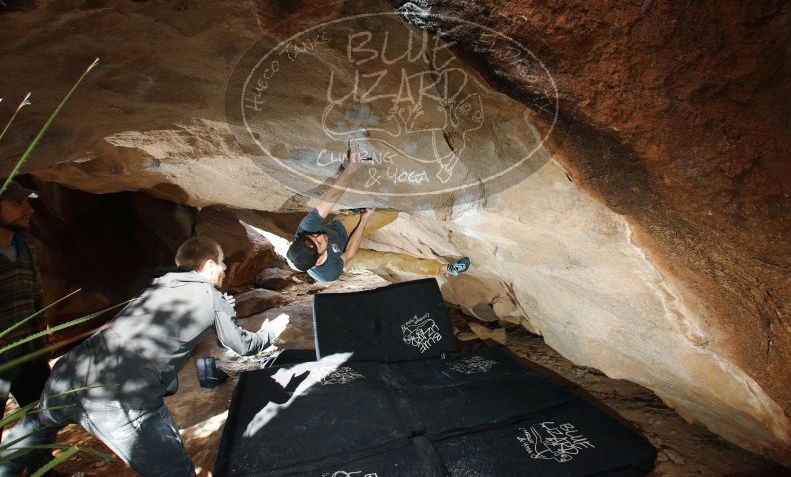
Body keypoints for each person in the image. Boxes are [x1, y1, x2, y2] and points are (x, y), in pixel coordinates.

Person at [0, 236, 289, 477]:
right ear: (210, 264)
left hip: (70, 373)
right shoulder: (208, 295)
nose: (225, 269)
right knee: (173, 471)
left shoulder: (156, 285)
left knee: (32, 433)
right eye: (223, 262)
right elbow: (242, 346)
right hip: (119, 397)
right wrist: (270, 333)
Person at [286, 141, 470, 283]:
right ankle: (446, 269)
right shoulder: (328, 273)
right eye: (318, 243)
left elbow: (331, 197)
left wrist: (351, 168)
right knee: (388, 259)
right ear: (318, 259)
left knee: (392, 214)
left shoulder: (307, 229)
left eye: (313, 237)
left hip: (340, 228)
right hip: (347, 258)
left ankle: (353, 212)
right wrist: (364, 220)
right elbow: (349, 253)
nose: (319, 235)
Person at [0, 180, 50, 435]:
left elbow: (36, 302)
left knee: (43, 415)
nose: (29, 210)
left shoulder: (24, 248)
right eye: (18, 203)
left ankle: (43, 468)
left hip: (28, 353)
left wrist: (41, 347)